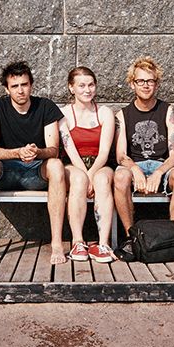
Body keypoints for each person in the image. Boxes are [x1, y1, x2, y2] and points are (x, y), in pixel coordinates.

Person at [0, 61, 70, 266]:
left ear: (31, 85)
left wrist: (36, 152)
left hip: (36, 171)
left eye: (24, 84)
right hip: (7, 171)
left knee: (56, 165)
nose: (20, 90)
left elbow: (53, 150)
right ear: (7, 89)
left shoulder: (45, 106)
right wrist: (17, 152)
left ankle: (57, 243)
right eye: (15, 86)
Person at [114, 56, 174, 235]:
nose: (146, 85)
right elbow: (121, 155)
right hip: (135, 165)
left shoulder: (168, 111)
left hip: (162, 165)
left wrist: (158, 172)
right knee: (120, 177)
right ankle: (130, 235)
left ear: (157, 84)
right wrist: (135, 169)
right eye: (140, 81)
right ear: (132, 84)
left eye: (150, 81)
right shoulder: (122, 115)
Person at [58, 67, 117, 263]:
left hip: (99, 163)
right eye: (81, 85)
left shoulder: (105, 113)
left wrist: (92, 175)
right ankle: (78, 242)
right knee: (78, 179)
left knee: (101, 180)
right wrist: (85, 175)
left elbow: (104, 152)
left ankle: (103, 243)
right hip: (74, 164)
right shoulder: (63, 115)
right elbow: (71, 152)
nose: (87, 90)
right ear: (71, 88)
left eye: (91, 85)